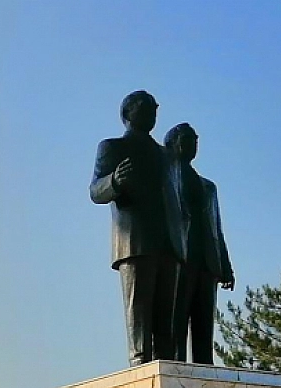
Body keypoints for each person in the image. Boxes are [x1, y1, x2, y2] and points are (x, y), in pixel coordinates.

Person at [89, 90, 187, 366]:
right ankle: (140, 366)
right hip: (135, 241)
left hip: (170, 244)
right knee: (139, 314)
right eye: (143, 106)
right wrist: (114, 181)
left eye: (154, 107)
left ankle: (168, 367)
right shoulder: (112, 147)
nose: (151, 111)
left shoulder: (168, 157)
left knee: (166, 319)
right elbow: (95, 191)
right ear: (127, 113)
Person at [164, 123, 234, 363]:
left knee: (204, 322)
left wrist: (226, 266)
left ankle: (205, 368)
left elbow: (216, 229)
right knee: (176, 321)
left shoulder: (208, 187)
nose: (193, 144)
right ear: (172, 143)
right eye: (186, 139)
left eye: (195, 139)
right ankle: (176, 367)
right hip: (179, 258)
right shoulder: (165, 179)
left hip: (207, 262)